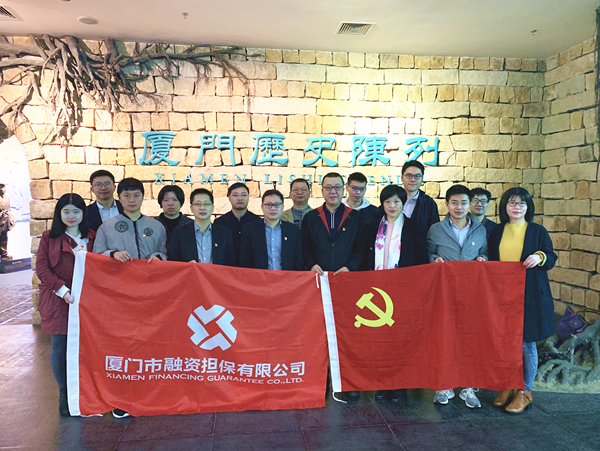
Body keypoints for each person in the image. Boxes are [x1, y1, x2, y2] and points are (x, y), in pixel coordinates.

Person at [488, 187, 557, 414]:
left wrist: (539, 256)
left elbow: (551, 256)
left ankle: (525, 390)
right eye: (512, 203)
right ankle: (508, 385)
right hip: (502, 295)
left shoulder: (537, 231)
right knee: (505, 343)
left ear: (528, 207)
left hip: (530, 295)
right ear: (504, 206)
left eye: (521, 203)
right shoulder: (497, 231)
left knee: (526, 343)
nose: (516, 207)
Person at [302, 172, 367, 401]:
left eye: (337, 187)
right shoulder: (311, 218)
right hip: (318, 284)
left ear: (344, 189)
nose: (333, 191)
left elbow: (361, 248)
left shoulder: (355, 217)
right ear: (321, 190)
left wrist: (350, 267)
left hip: (346, 283)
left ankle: (346, 382)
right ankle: (322, 379)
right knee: (320, 333)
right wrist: (311, 264)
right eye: (328, 187)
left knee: (346, 333)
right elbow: (304, 247)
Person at [426, 184, 488, 409]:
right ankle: (444, 385)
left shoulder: (480, 229)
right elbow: (429, 253)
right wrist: (434, 260)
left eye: (463, 203)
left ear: (469, 204)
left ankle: (468, 387)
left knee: (470, 338)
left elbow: (485, 252)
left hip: (472, 294)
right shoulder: (435, 229)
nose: (459, 207)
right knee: (444, 337)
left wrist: (483, 259)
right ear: (447, 204)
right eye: (454, 203)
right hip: (444, 293)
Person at [366, 184, 428, 403]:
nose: (392, 206)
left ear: (403, 203)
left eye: (396, 201)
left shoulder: (415, 228)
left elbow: (422, 262)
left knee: (401, 339)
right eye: (387, 202)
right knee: (380, 340)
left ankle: (400, 384)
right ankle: (383, 383)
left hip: (404, 292)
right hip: (377, 292)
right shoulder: (371, 227)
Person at [36, 194, 95, 417]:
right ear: (59, 213)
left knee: (86, 347)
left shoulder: (92, 237)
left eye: (76, 211)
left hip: (87, 301)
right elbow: (42, 268)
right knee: (60, 346)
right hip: (58, 299)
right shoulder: (49, 237)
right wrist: (63, 291)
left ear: (83, 214)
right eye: (66, 211)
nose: (71, 216)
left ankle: (84, 392)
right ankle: (64, 393)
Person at [94, 177, 167, 265]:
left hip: (149, 272)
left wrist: (158, 257)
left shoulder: (157, 226)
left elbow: (164, 253)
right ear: (119, 198)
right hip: (120, 272)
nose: (132, 200)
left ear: (142, 197)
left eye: (136, 195)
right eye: (127, 195)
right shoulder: (106, 228)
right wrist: (113, 254)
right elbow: (97, 256)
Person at [168, 188, 235, 266]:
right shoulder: (179, 233)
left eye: (206, 204)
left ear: (212, 208)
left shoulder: (224, 233)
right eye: (198, 204)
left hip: (217, 274)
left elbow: (231, 264)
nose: (202, 208)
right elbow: (172, 264)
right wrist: (185, 267)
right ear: (191, 208)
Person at [240, 189, 303, 270]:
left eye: (277, 204)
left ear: (282, 207)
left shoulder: (293, 231)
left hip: (286, 277)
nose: (273, 208)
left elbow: (298, 261)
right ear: (262, 207)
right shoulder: (250, 229)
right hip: (259, 277)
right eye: (268, 205)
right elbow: (245, 260)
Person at [214, 182, 261, 264]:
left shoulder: (258, 222)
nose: (240, 198)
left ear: (248, 197)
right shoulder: (220, 222)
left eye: (243, 195)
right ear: (229, 198)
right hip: (227, 267)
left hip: (251, 268)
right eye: (235, 195)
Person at [401, 160, 440, 235]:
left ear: (422, 178)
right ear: (402, 177)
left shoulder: (429, 204)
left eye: (417, 176)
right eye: (409, 175)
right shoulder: (392, 200)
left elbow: (435, 233)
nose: (413, 179)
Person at [0, 183, 16, 260]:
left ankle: (4, 254)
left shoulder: (7, 198)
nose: (2, 189)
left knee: (4, 237)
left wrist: (11, 218)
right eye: (1, 187)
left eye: (3, 187)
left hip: (5, 219)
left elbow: (8, 210)